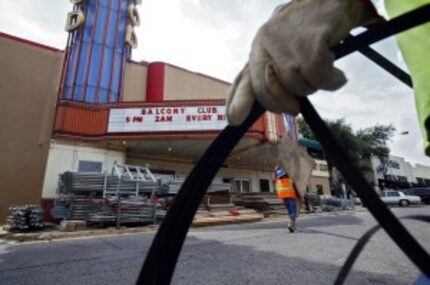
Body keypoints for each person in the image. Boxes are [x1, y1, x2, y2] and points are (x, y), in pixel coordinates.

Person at [274, 165, 299, 232]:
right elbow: (296, 188)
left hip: (284, 198)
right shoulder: (290, 180)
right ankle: (290, 224)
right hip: (291, 197)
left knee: (290, 212)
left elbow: (275, 177)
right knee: (293, 212)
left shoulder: (278, 181)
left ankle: (293, 226)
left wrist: (276, 170)